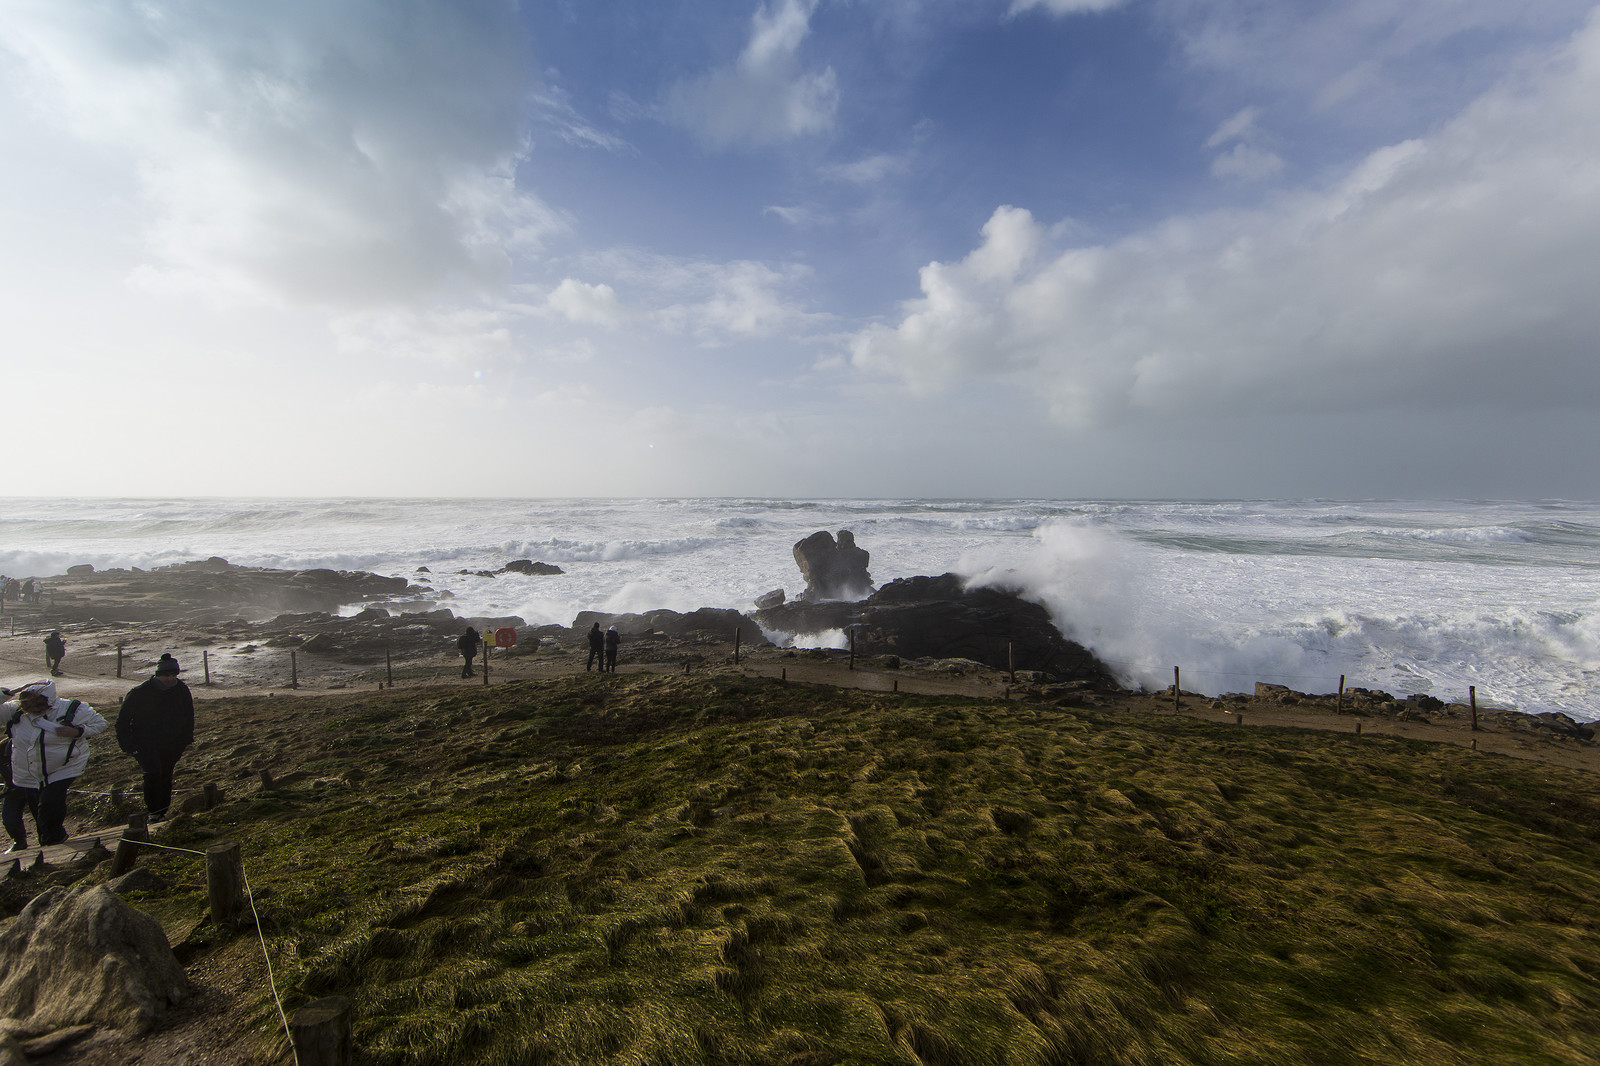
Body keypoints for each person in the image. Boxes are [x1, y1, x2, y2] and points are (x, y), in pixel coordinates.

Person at [3, 680, 108, 852]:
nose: (35, 710)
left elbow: (101, 724)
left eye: (39, 705)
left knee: (49, 804)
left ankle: (55, 841)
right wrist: (8, 693)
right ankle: (46, 844)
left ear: (49, 701)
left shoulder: (73, 709)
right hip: (28, 770)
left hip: (65, 766)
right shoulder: (14, 711)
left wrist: (77, 731)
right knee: (39, 812)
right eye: (29, 706)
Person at [115, 653, 195, 822]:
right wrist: (128, 745)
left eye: (173, 675)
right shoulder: (139, 692)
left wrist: (186, 739)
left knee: (166, 775)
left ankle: (162, 812)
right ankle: (153, 811)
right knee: (152, 773)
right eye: (166, 675)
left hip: (172, 743)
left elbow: (189, 715)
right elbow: (122, 720)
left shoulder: (181, 689)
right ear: (158, 675)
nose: (170, 679)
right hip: (145, 743)